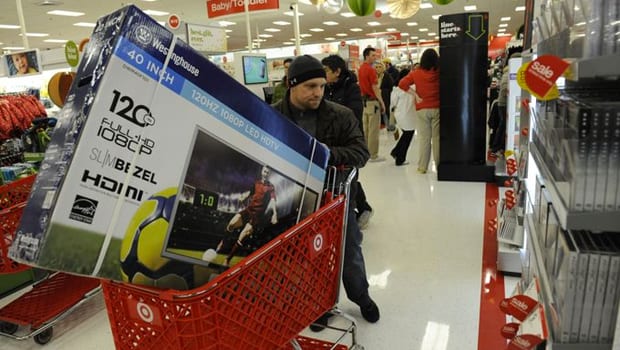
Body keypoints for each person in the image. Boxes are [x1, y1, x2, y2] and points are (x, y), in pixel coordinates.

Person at [272, 54, 380, 328]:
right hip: (293, 203)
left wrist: (323, 154)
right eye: (310, 86)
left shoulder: (339, 115)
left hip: (337, 201)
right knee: (309, 258)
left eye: (321, 86)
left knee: (350, 253)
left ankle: (362, 297)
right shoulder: (273, 114)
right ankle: (320, 305)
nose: (318, 92)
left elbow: (361, 153)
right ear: (291, 84)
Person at [321, 54, 374, 229]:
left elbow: (353, 116)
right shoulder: (325, 88)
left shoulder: (351, 89)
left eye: (326, 70)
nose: (323, 74)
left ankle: (362, 209)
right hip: (329, 142)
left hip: (347, 142)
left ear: (337, 71)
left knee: (350, 179)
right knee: (338, 181)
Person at [219, 165, 278, 266]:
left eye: (268, 172)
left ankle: (227, 259)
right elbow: (250, 192)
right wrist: (244, 196)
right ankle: (223, 242)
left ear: (269, 174)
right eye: (265, 171)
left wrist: (275, 214)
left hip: (256, 217)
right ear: (262, 172)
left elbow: (273, 200)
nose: (266, 173)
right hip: (248, 210)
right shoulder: (256, 183)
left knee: (242, 237)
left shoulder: (271, 187)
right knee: (231, 224)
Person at [398, 49, 440, 174]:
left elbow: (402, 83)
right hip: (437, 108)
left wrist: (415, 95)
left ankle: (422, 167)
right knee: (437, 139)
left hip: (422, 108)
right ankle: (439, 166)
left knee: (424, 139)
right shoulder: (439, 72)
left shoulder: (416, 73)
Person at [358, 47, 385, 162]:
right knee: (373, 129)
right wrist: (382, 102)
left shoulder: (361, 69)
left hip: (364, 102)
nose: (375, 57)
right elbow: (375, 88)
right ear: (367, 56)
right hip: (373, 102)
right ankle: (373, 154)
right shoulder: (370, 70)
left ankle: (366, 153)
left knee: (366, 129)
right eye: (373, 55)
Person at [389, 68, 417, 166]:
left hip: (400, 114)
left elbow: (392, 103)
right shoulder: (413, 87)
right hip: (409, 115)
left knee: (406, 134)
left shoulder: (396, 89)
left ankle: (396, 152)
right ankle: (400, 158)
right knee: (408, 135)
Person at [374, 61, 396, 135]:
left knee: (385, 111)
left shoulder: (387, 76)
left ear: (383, 68)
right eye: (376, 67)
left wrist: (383, 91)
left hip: (385, 97)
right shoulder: (374, 77)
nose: (378, 69)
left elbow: (391, 87)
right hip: (375, 97)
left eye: (380, 67)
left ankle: (387, 125)